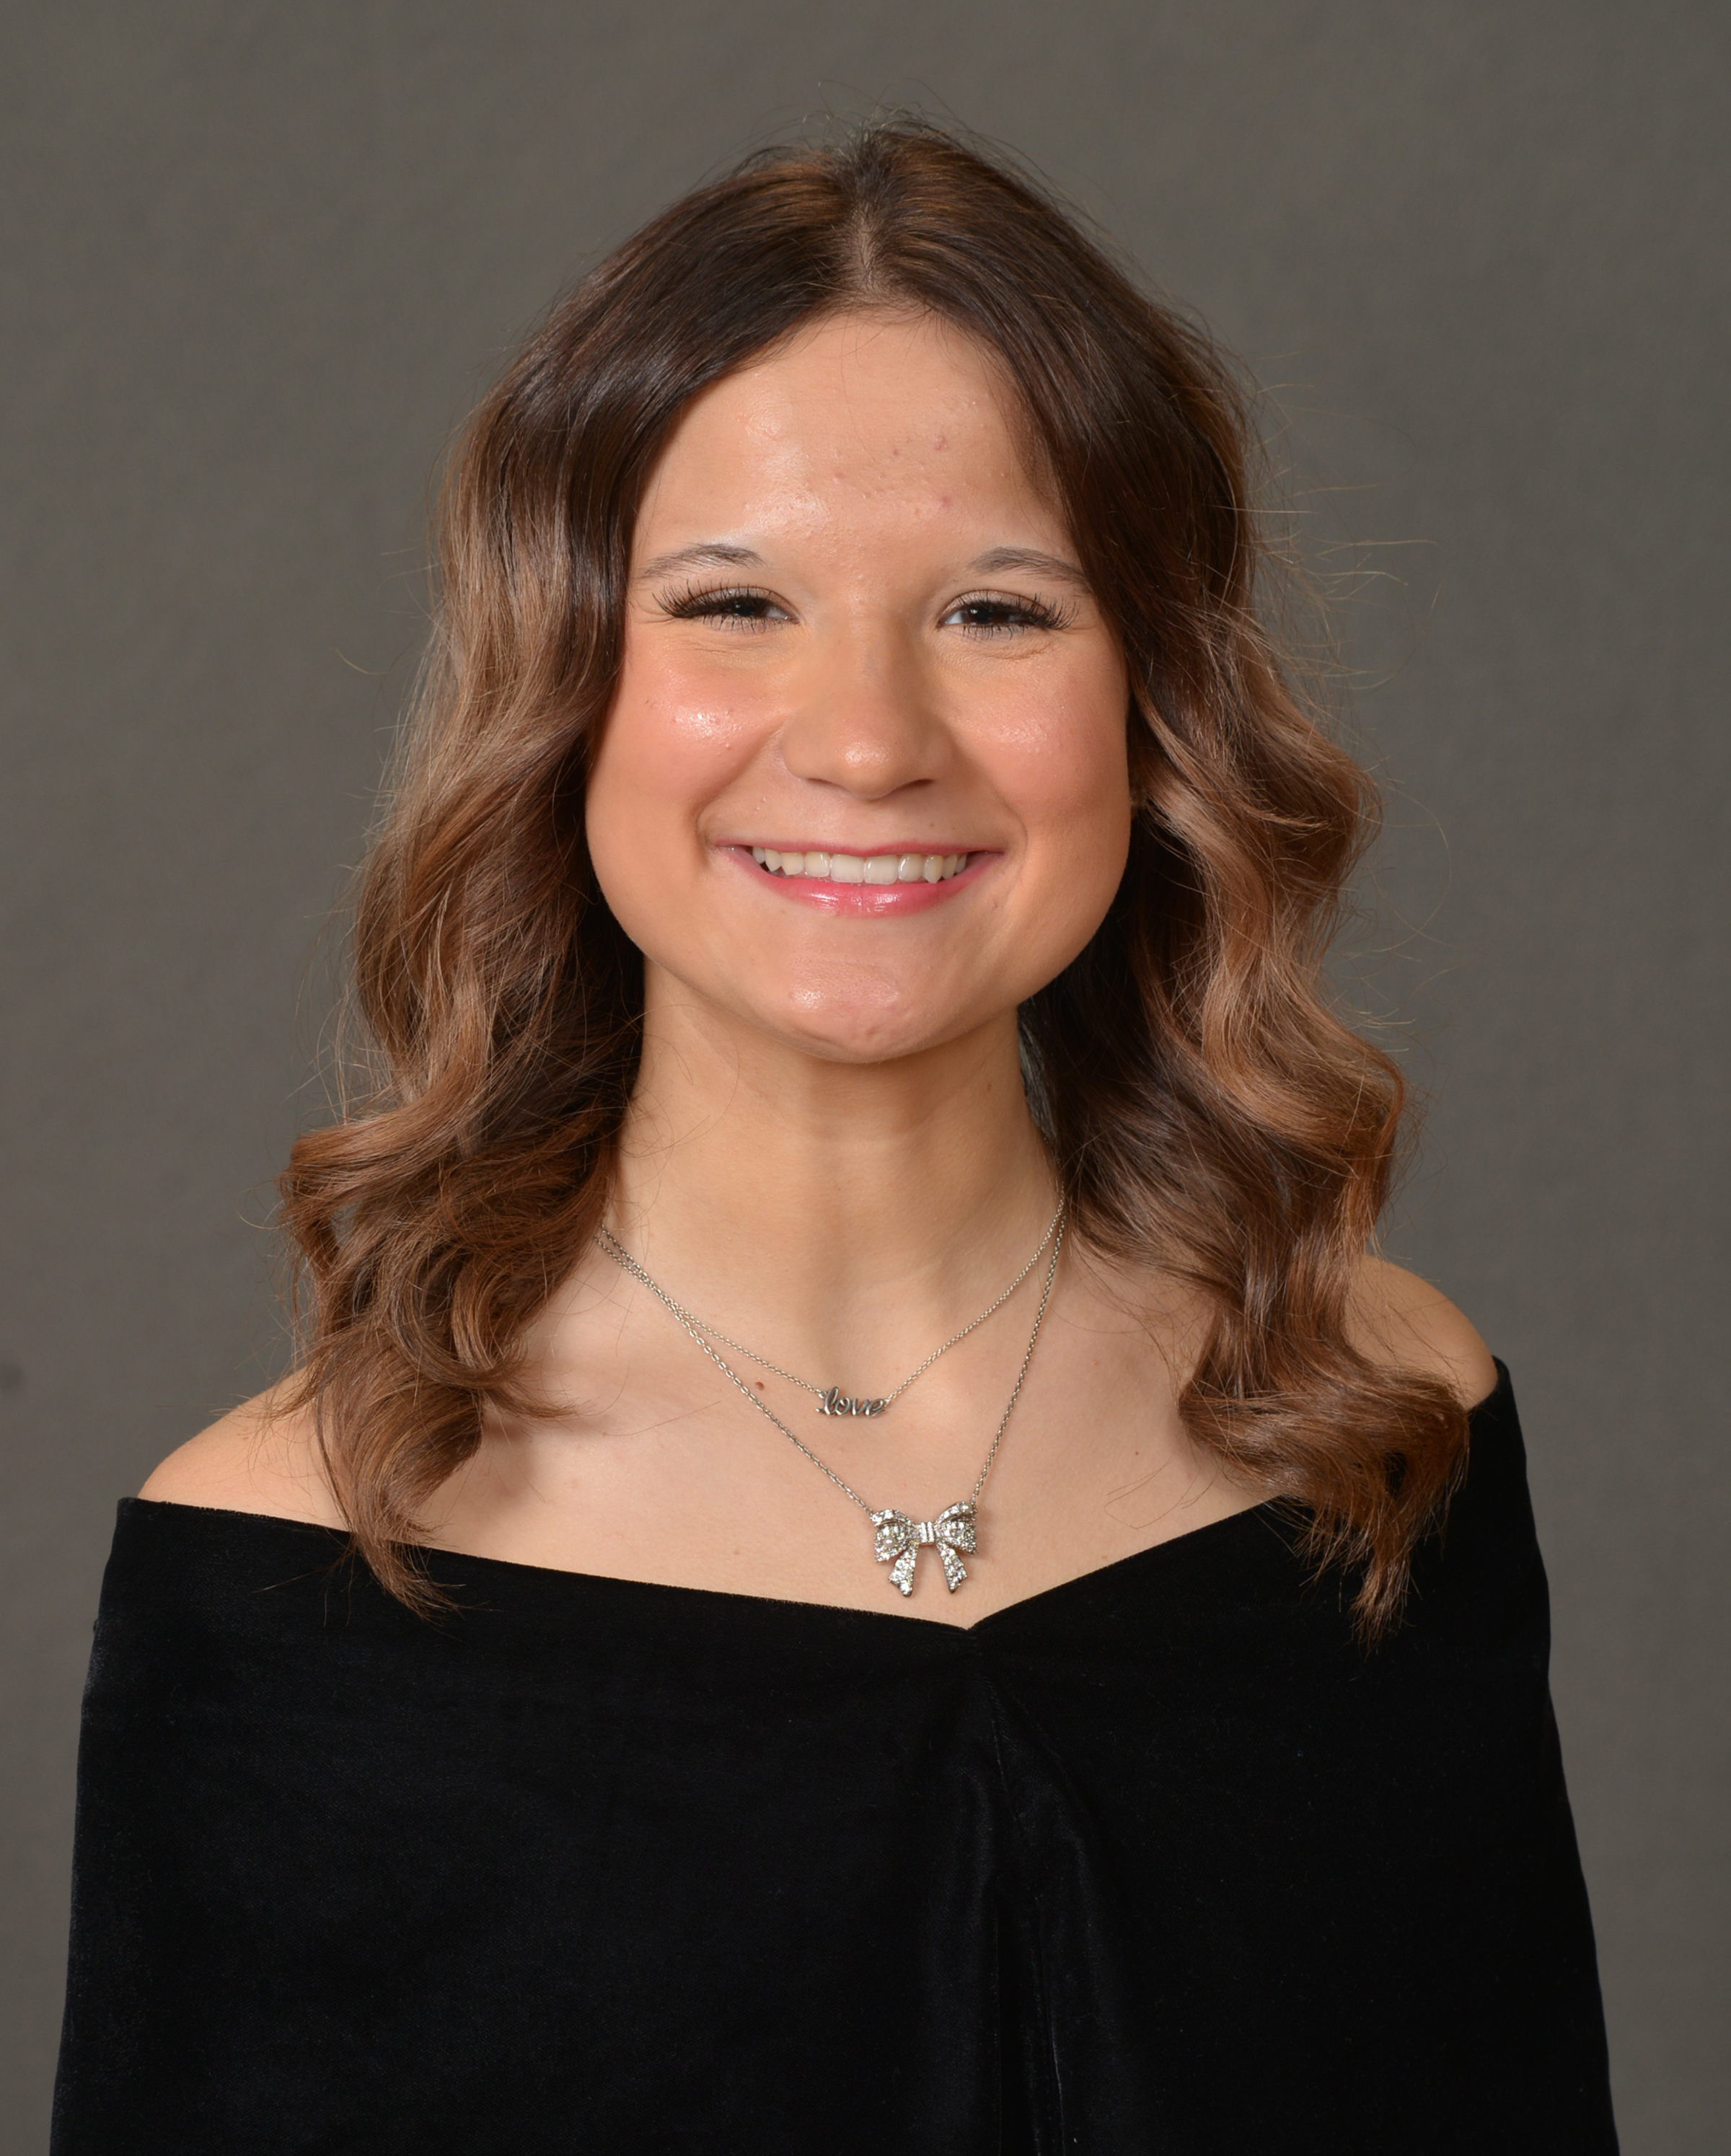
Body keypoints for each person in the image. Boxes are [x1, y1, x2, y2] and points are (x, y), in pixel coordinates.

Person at [51, 123, 1617, 2153]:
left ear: (1157, 708)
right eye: (734, 604)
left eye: (997, 612)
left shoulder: (1381, 1421)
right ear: (562, 691)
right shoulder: (292, 1573)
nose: (869, 741)